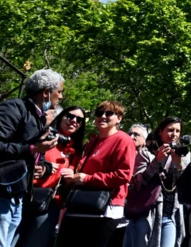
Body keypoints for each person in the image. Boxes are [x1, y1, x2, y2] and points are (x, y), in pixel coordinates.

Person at [0, 68, 63, 247]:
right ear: (46, 92)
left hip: (14, 192)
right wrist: (32, 148)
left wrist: (41, 164)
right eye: (59, 92)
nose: (60, 97)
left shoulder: (36, 117)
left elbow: (30, 151)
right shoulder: (12, 108)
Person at [56, 99, 137, 246]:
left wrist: (87, 179)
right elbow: (82, 172)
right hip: (79, 206)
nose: (103, 116)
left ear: (119, 118)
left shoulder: (123, 140)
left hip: (105, 210)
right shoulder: (91, 142)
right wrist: (72, 176)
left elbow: (124, 174)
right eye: (99, 113)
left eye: (109, 113)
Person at [19, 104, 86, 247]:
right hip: (25, 197)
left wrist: (71, 178)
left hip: (50, 205)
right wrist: (41, 168)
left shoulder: (77, 152)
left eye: (79, 120)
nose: (74, 121)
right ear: (60, 118)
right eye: (70, 116)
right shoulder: (45, 138)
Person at [123, 117, 185, 247]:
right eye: (170, 130)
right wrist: (157, 161)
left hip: (169, 215)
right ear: (160, 132)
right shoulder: (146, 154)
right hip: (146, 214)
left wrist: (179, 165)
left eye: (177, 131)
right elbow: (137, 183)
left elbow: (183, 186)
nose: (174, 134)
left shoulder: (179, 156)